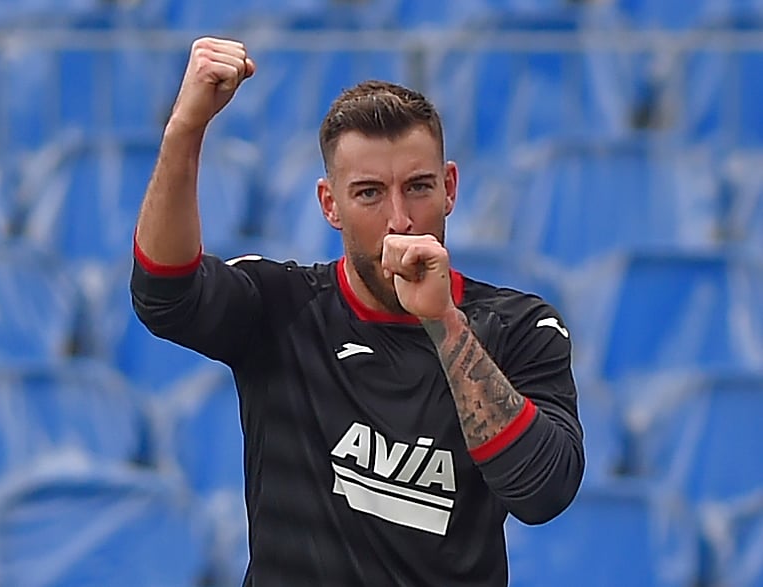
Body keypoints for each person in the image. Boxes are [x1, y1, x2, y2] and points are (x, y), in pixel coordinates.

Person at [131, 37, 584, 587]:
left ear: (449, 189)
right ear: (330, 205)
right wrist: (185, 128)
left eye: (418, 188)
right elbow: (163, 296)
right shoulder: (281, 308)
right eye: (369, 193)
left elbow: (544, 491)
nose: (400, 220)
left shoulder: (518, 327)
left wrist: (443, 324)